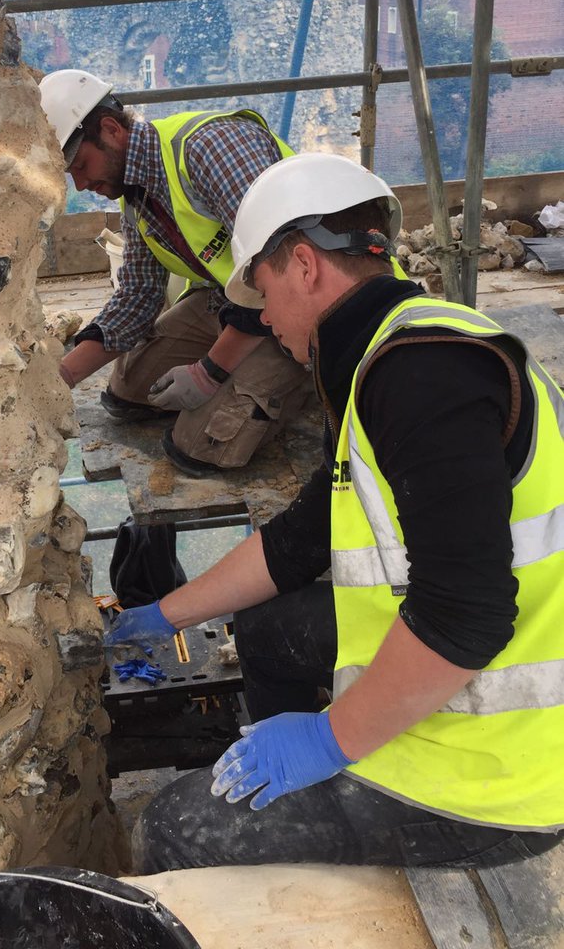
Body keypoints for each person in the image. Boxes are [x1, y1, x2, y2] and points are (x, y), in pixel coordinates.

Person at [106, 152, 564, 872]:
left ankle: (315, 807)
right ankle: (284, 785)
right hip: (475, 665)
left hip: (499, 764)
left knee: (174, 832)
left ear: (304, 265)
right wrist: (163, 616)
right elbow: (297, 542)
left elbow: (465, 618)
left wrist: (329, 739)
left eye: (262, 292)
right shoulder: (393, 353)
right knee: (266, 630)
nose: (262, 317)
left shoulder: (422, 375)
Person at [38, 68, 310, 477]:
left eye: (80, 165)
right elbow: (138, 296)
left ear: (110, 130)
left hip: (304, 309)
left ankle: (307, 378)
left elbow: (281, 271)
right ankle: (245, 370)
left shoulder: (211, 149)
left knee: (198, 446)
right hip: (231, 302)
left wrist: (209, 372)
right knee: (128, 391)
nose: (80, 184)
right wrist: (61, 376)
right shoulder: (136, 194)